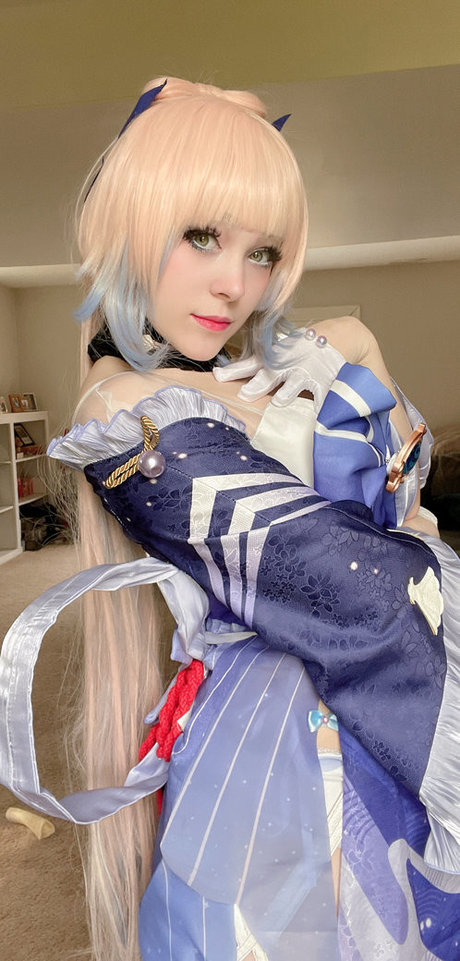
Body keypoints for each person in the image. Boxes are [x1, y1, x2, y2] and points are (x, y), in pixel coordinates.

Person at [1, 77, 460, 961]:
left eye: (263, 252)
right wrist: (412, 540)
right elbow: (360, 587)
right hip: (282, 738)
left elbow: (410, 487)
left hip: (371, 706)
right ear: (131, 226)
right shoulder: (127, 410)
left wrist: (361, 349)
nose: (235, 284)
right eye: (202, 236)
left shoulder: (237, 373)